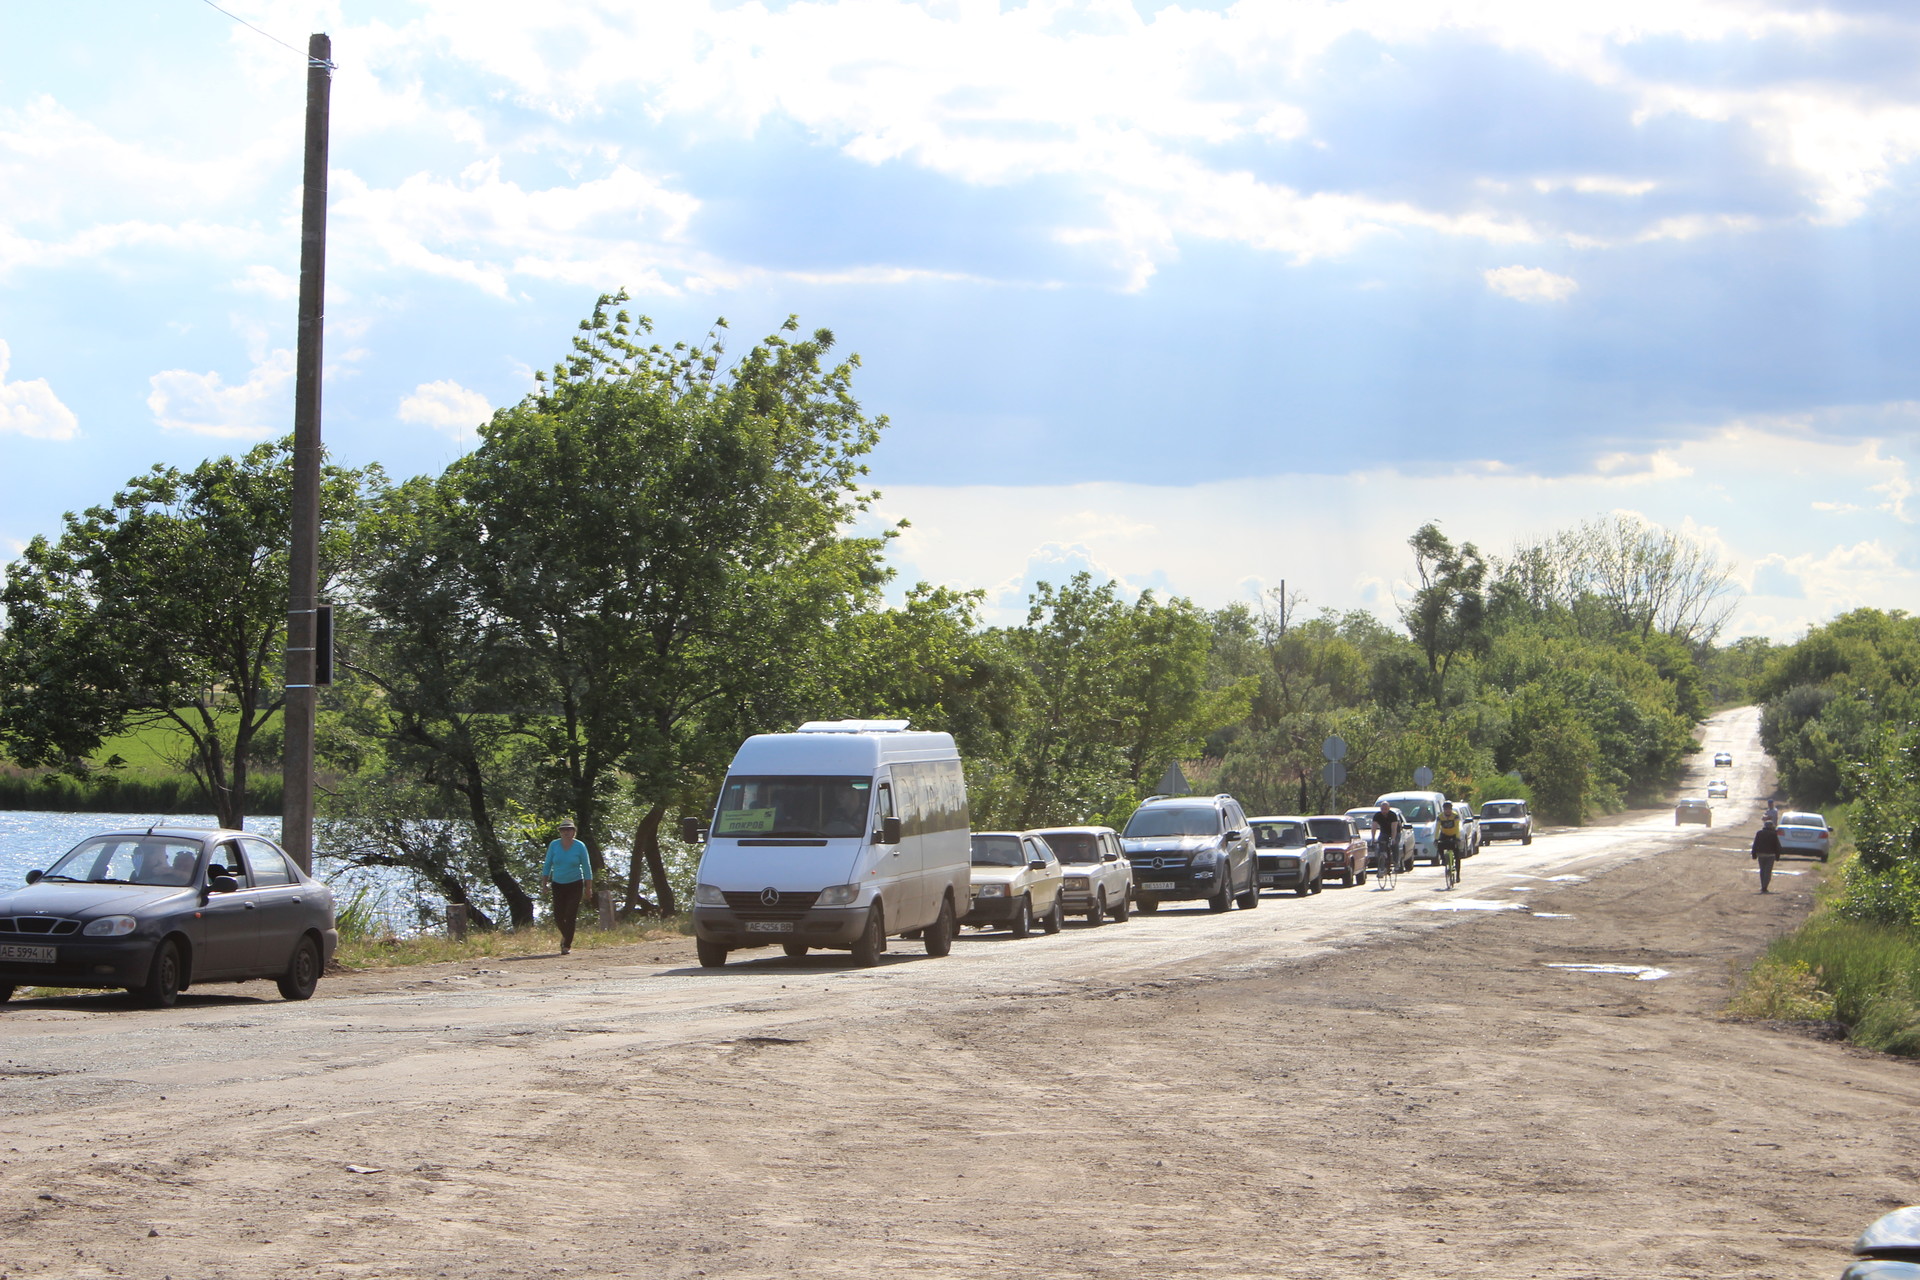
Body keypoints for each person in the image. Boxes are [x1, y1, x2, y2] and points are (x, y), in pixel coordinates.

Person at [542, 821, 595, 954]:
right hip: (558, 884)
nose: (566, 832)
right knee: (558, 915)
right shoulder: (554, 845)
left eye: (569, 830)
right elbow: (547, 864)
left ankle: (566, 945)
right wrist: (544, 883)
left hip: (575, 883)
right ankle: (566, 935)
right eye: (563, 830)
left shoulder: (579, 846)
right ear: (560, 832)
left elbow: (587, 867)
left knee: (570, 914)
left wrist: (588, 888)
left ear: (574, 831)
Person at [1372, 801, 1403, 884]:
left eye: (1386, 809)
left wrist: (1393, 839)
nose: (1384, 811)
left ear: (1388, 809)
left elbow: (1394, 828)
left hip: (1395, 832)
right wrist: (1373, 838)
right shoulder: (1377, 815)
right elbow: (1374, 827)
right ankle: (1381, 868)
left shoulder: (1392, 815)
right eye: (1382, 809)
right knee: (1381, 846)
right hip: (1384, 832)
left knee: (1394, 844)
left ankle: (1396, 863)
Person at [1751, 816, 1782, 893]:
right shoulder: (1774, 834)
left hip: (1761, 855)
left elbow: (1755, 844)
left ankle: (1763, 886)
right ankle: (1765, 886)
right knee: (1768, 871)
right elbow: (1777, 846)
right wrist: (1777, 856)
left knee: (1762, 870)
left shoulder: (1759, 833)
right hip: (1770, 855)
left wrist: (1754, 854)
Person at [1436, 801, 1464, 886]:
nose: (1448, 811)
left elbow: (1457, 827)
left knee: (1457, 855)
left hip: (1454, 834)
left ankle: (1458, 875)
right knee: (1439, 845)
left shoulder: (1455, 816)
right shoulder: (1440, 817)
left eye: (1449, 809)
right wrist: (1436, 839)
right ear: (1443, 810)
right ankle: (1443, 859)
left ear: (1451, 809)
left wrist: (1457, 838)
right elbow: (1437, 828)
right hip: (1444, 834)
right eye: (1446, 809)